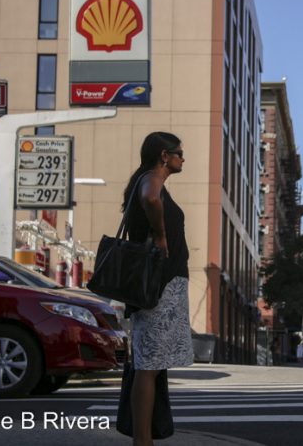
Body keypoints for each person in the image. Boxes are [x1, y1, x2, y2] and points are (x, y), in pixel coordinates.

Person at [122, 131, 194, 446]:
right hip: (158, 284)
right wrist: (161, 234)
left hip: (162, 283)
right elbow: (150, 198)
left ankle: (144, 436)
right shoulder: (151, 179)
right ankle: (142, 440)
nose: (183, 158)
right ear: (164, 156)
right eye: (179, 152)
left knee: (151, 364)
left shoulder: (147, 179)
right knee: (149, 365)